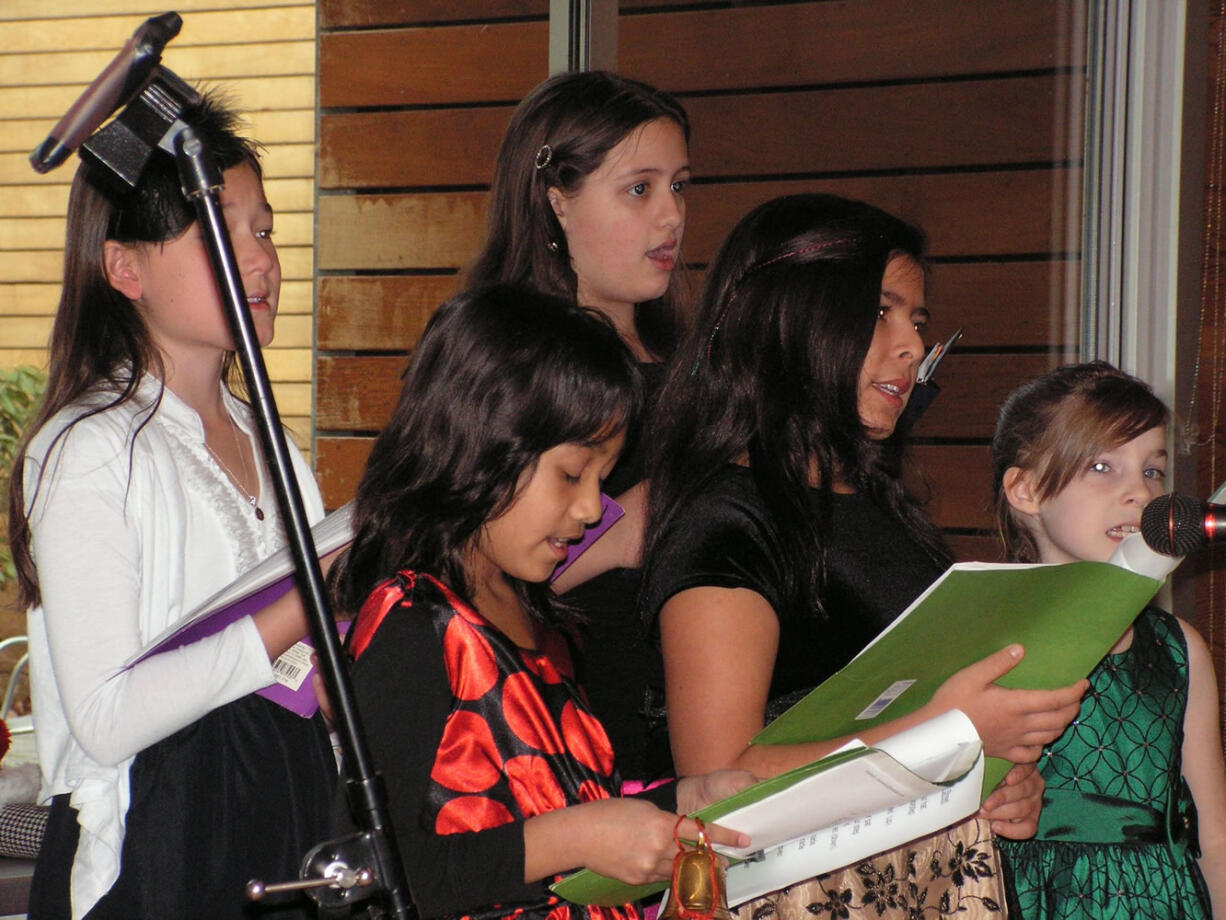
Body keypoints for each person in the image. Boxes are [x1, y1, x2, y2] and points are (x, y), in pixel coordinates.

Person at [639, 193, 1088, 917]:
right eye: (881, 312)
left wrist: (999, 779)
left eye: (917, 321)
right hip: (804, 894)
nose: (911, 347)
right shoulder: (729, 518)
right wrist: (946, 733)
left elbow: (927, 716)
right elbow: (722, 779)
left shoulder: (883, 508)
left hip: (932, 880)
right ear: (793, 316)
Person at [7, 93, 335, 919]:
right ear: (126, 268)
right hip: (163, 843)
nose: (261, 263)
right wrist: (306, 611)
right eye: (223, 234)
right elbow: (108, 719)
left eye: (265, 231)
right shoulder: (90, 449)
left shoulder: (276, 447)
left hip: (287, 813)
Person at [328, 284, 750, 920]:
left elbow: (569, 803)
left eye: (602, 481)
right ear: (482, 440)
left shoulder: (545, 622)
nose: (589, 511)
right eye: (570, 474)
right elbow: (370, 871)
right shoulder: (415, 622)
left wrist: (685, 798)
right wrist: (572, 840)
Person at [465, 70, 691, 784]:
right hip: (566, 720)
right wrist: (621, 533)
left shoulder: (695, 362)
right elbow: (445, 566)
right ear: (557, 200)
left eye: (680, 187)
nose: (671, 216)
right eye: (639, 189)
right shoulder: (506, 361)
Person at [990, 361, 1226, 918]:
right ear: (1025, 489)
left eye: (1152, 471)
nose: (1138, 494)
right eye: (1102, 466)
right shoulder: (986, 643)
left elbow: (1215, 836)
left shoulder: (1179, 649)